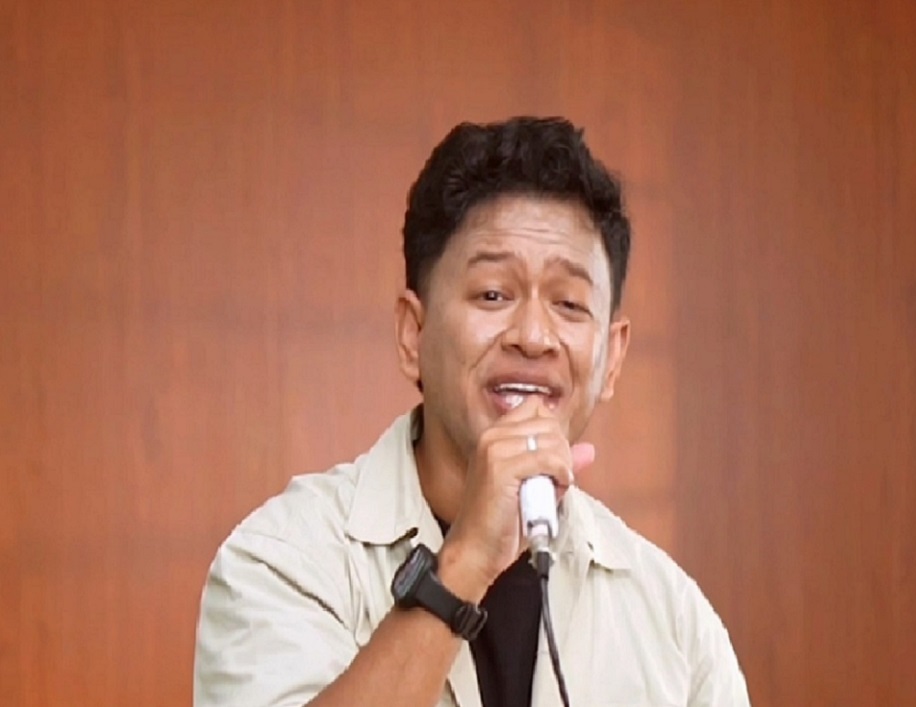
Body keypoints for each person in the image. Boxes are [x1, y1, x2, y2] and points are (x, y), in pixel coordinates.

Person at [194, 116, 751, 707]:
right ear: (413, 334)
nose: (533, 336)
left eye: (568, 303)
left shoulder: (674, 621)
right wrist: (465, 563)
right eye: (492, 294)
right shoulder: (281, 559)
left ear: (611, 359)